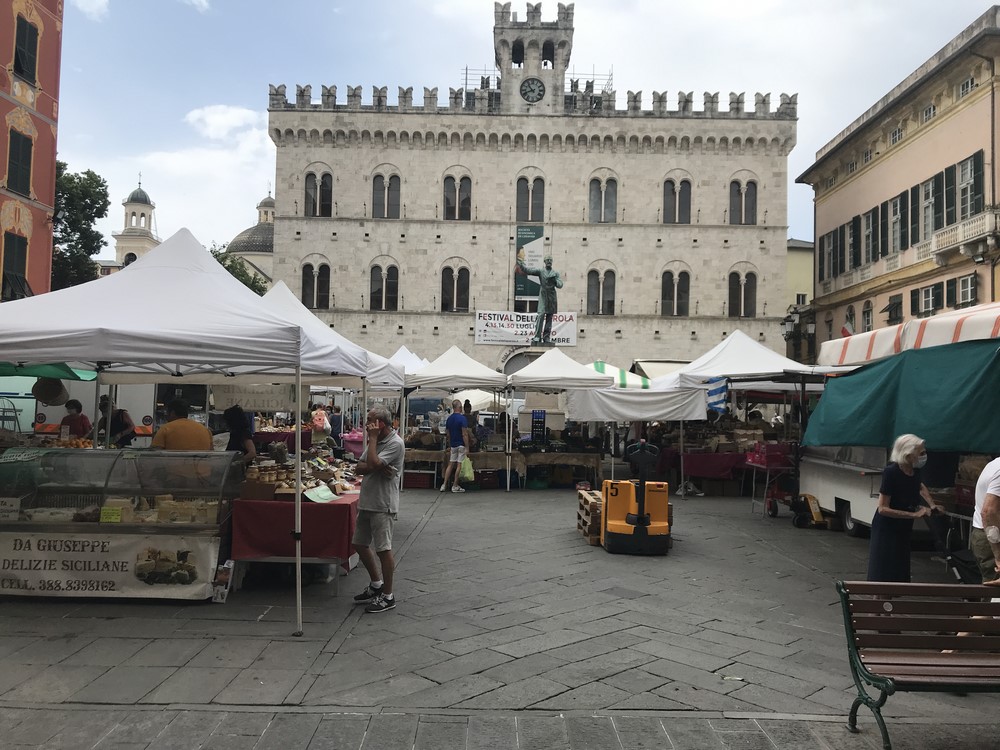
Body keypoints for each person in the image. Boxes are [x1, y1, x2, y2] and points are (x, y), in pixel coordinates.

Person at [352, 405, 405, 613]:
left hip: (383, 503)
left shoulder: (395, 443)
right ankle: (376, 584)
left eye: (370, 420)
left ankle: (388, 595)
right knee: (359, 543)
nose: (366, 424)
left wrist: (372, 443)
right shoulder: (378, 441)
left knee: (383, 549)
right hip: (367, 500)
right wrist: (376, 466)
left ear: (380, 424)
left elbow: (372, 462)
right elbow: (361, 466)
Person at [867, 434, 942, 582]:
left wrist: (932, 505)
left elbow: (920, 486)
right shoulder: (891, 472)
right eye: (921, 453)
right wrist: (914, 515)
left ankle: (891, 603)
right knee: (884, 573)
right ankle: (880, 602)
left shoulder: (915, 470)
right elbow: (883, 508)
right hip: (887, 528)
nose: (924, 456)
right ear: (908, 455)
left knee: (898, 572)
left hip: (903, 528)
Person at [516, 252, 564, 345]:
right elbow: (528, 270)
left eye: (550, 260)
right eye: (547, 260)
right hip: (543, 295)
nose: (549, 262)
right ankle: (537, 336)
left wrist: (554, 280)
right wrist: (521, 264)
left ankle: (546, 337)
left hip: (552, 297)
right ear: (544, 262)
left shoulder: (555, 273)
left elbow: (560, 285)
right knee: (541, 315)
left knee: (549, 317)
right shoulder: (540, 271)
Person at [972, 455, 1000, 585]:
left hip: (987, 535)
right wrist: (998, 555)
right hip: (991, 538)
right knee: (994, 593)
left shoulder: (994, 464)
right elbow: (988, 512)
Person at [439, 399, 470, 493]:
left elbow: (447, 434)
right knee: (459, 465)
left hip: (453, 445)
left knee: (451, 464)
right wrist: (467, 446)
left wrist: (450, 443)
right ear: (460, 408)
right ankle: (455, 485)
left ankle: (444, 484)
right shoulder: (462, 419)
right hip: (461, 445)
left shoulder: (449, 419)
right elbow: (464, 434)